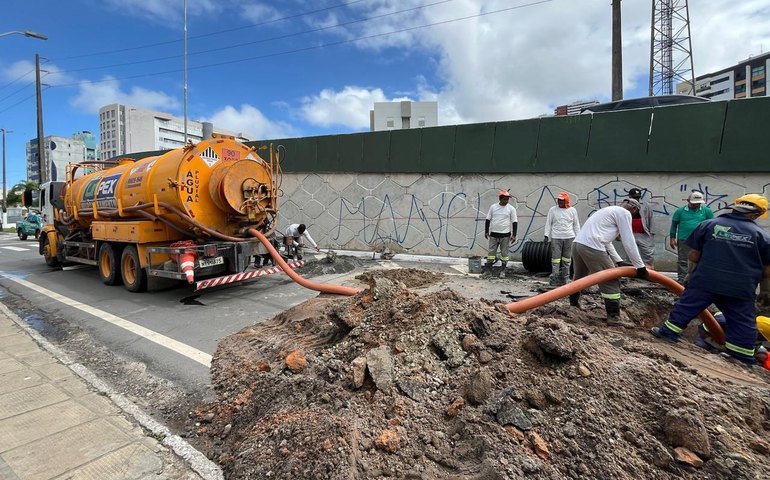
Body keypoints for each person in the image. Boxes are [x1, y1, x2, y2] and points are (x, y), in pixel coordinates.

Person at [651, 194, 770, 365]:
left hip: (705, 280)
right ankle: (741, 357)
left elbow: (694, 255)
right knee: (742, 320)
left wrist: (689, 276)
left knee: (687, 306)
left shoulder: (709, 225)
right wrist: (766, 292)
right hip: (740, 287)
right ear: (756, 214)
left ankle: (668, 334)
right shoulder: (761, 236)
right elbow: (767, 270)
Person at [569, 199, 649, 325]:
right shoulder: (624, 213)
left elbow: (607, 242)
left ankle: (573, 305)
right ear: (634, 208)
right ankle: (614, 317)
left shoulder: (608, 211)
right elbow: (629, 241)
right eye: (636, 214)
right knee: (611, 279)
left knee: (579, 278)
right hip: (592, 246)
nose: (633, 217)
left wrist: (619, 261)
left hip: (578, 244)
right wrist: (640, 266)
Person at [669, 191, 714, 284]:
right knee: (683, 260)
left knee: (700, 260)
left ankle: (697, 280)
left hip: (700, 240)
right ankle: (682, 281)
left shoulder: (706, 211)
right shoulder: (680, 211)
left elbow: (711, 225)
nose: (696, 205)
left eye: (698, 203)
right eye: (694, 204)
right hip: (684, 239)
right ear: (688, 201)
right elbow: (674, 225)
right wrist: (672, 238)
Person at [544, 192, 581, 286]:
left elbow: (576, 225)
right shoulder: (553, 210)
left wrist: (579, 237)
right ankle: (554, 278)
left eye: (562, 200)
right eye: (559, 200)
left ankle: (564, 278)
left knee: (567, 260)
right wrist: (546, 235)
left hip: (569, 237)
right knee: (555, 260)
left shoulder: (572, 210)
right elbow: (548, 223)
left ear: (566, 201)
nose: (560, 202)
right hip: (556, 237)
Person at [485, 190, 518, 278]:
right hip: (494, 234)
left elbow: (514, 222)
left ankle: (503, 270)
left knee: (504, 254)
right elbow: (488, 219)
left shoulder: (511, 209)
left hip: (505, 235)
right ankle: (488, 270)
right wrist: (486, 231)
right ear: (500, 199)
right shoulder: (493, 207)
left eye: (507, 199)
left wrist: (514, 235)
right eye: (504, 199)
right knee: (491, 253)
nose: (506, 201)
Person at [628, 188, 655, 268]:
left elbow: (651, 217)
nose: (636, 199)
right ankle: (631, 272)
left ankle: (649, 271)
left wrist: (652, 231)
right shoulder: (625, 206)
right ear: (630, 197)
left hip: (643, 233)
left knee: (647, 253)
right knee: (631, 253)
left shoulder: (645, 205)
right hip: (630, 233)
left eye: (637, 197)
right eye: (634, 197)